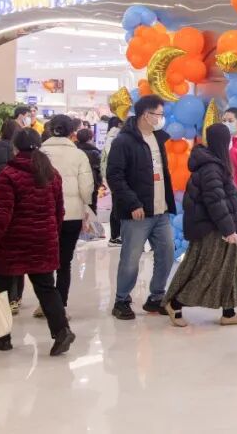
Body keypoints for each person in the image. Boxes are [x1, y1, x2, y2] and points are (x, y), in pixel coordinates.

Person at [0, 129, 75, 356]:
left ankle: (1, 338)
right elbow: (59, 211)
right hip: (44, 239)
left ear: (15, 147)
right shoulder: (52, 173)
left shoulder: (9, 174)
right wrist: (51, 233)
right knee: (46, 288)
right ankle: (62, 331)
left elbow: (1, 216)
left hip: (12, 243)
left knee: (1, 290)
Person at [164, 123, 237, 328]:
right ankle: (175, 304)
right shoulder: (212, 167)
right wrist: (228, 229)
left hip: (220, 225)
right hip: (213, 229)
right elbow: (215, 201)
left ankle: (229, 312)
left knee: (230, 269)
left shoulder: (215, 164)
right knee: (208, 270)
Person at [106, 95, 177, 320]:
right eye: (159, 114)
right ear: (146, 115)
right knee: (131, 258)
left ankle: (156, 297)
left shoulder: (158, 138)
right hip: (137, 213)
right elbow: (114, 176)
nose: (162, 118)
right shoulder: (124, 141)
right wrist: (133, 203)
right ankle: (122, 300)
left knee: (167, 252)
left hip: (161, 211)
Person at [41, 115, 94, 311]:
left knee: (45, 260)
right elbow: (86, 188)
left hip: (44, 214)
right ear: (72, 133)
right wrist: (86, 206)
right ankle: (60, 305)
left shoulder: (40, 153)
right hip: (71, 215)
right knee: (65, 262)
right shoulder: (79, 155)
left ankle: (46, 303)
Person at [100, 115, 124, 246]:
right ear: (119, 124)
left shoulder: (110, 136)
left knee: (116, 205)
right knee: (118, 206)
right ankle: (115, 236)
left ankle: (115, 236)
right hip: (117, 176)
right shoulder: (116, 137)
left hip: (112, 176)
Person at [75, 128, 103, 214]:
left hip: (76, 180)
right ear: (90, 138)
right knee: (92, 206)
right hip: (92, 182)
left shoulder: (74, 150)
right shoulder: (95, 152)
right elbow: (100, 169)